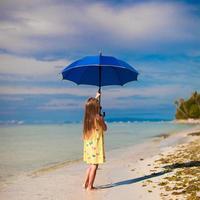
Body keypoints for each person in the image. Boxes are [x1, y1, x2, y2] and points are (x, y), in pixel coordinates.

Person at [82, 92, 107, 191]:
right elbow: (105, 128)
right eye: (98, 106)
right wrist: (102, 120)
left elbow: (88, 105)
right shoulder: (98, 118)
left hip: (88, 145)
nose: (99, 107)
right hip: (96, 146)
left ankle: (85, 183)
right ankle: (90, 186)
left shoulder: (87, 118)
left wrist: (96, 97)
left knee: (90, 165)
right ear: (96, 108)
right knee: (94, 166)